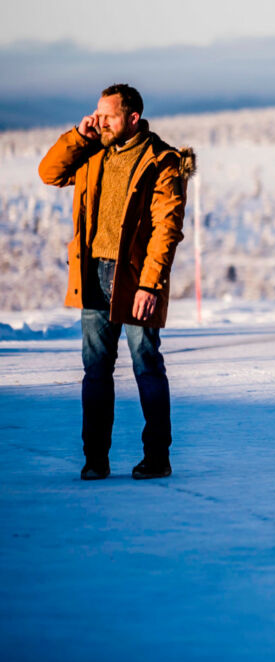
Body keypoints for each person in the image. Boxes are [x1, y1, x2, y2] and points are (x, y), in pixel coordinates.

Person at [38, 84, 192, 481]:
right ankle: (95, 459)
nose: (99, 120)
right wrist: (79, 136)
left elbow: (167, 229)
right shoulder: (92, 150)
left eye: (108, 116)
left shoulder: (161, 160)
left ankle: (157, 458)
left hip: (136, 278)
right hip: (92, 274)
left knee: (146, 364)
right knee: (95, 369)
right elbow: (49, 173)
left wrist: (150, 285)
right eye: (96, 113)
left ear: (133, 118)